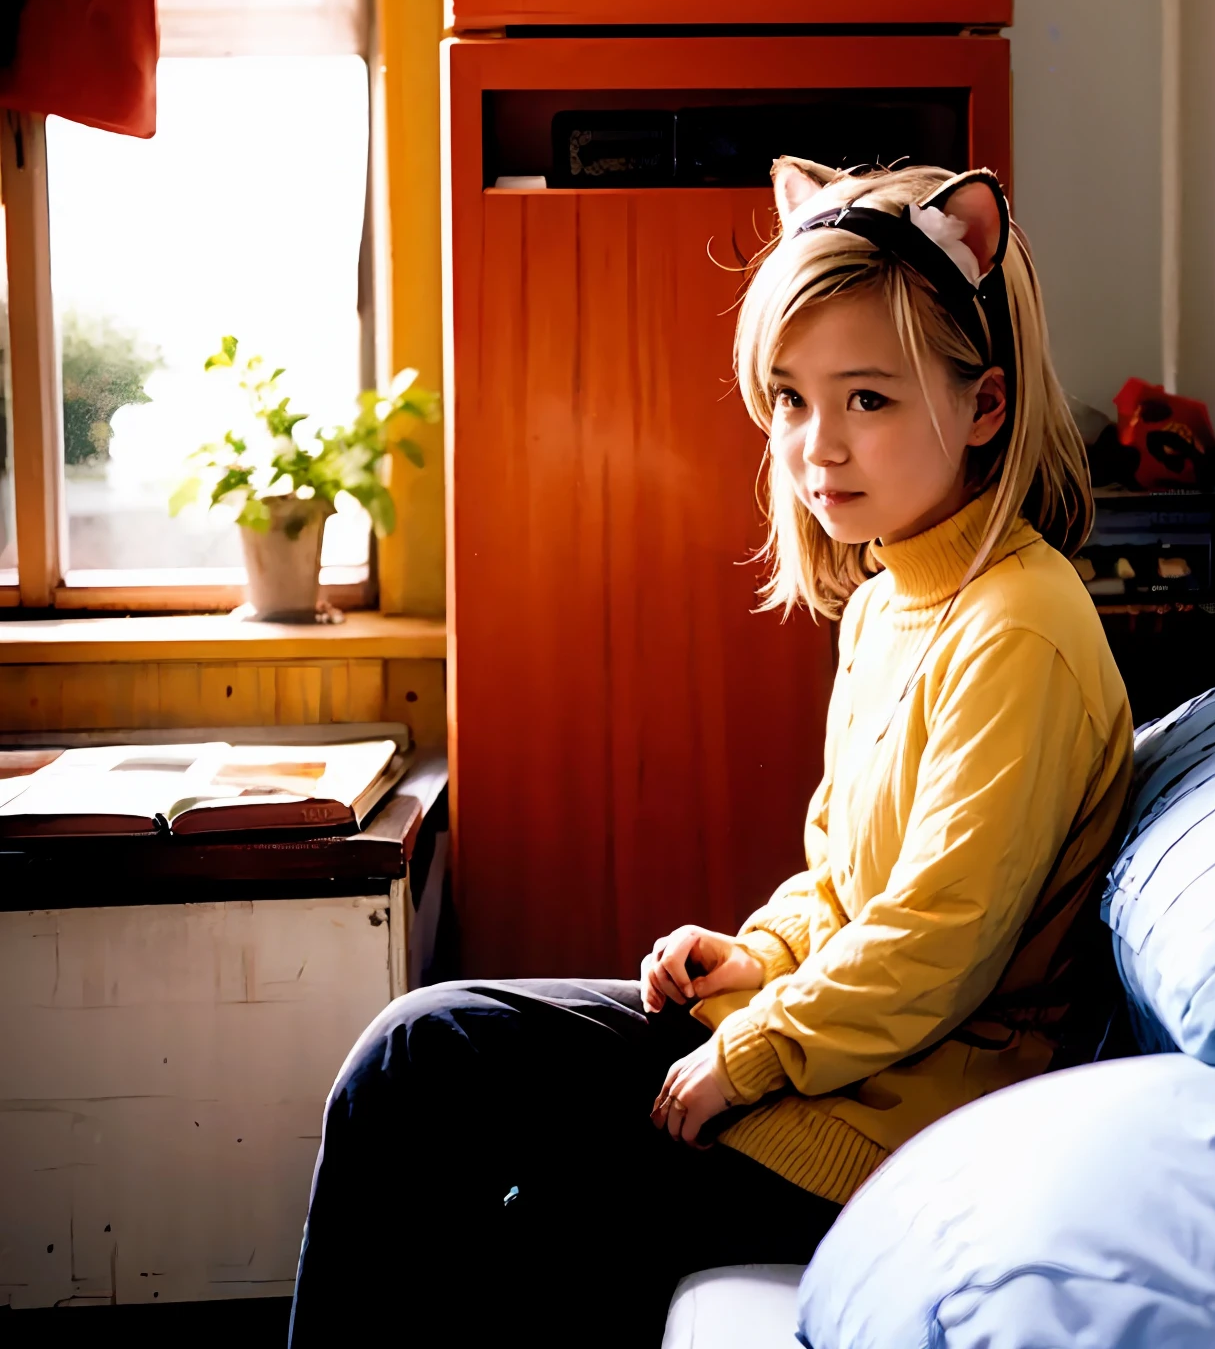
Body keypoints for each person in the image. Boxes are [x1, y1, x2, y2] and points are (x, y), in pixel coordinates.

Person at [288, 160, 1133, 1347]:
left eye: (868, 400)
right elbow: (846, 880)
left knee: (540, 1237)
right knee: (419, 1053)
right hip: (830, 1049)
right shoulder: (895, 598)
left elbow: (939, 935)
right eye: (790, 398)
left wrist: (754, 1050)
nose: (815, 446)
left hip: (893, 1118)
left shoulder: (1021, 628)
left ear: (985, 403)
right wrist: (756, 949)